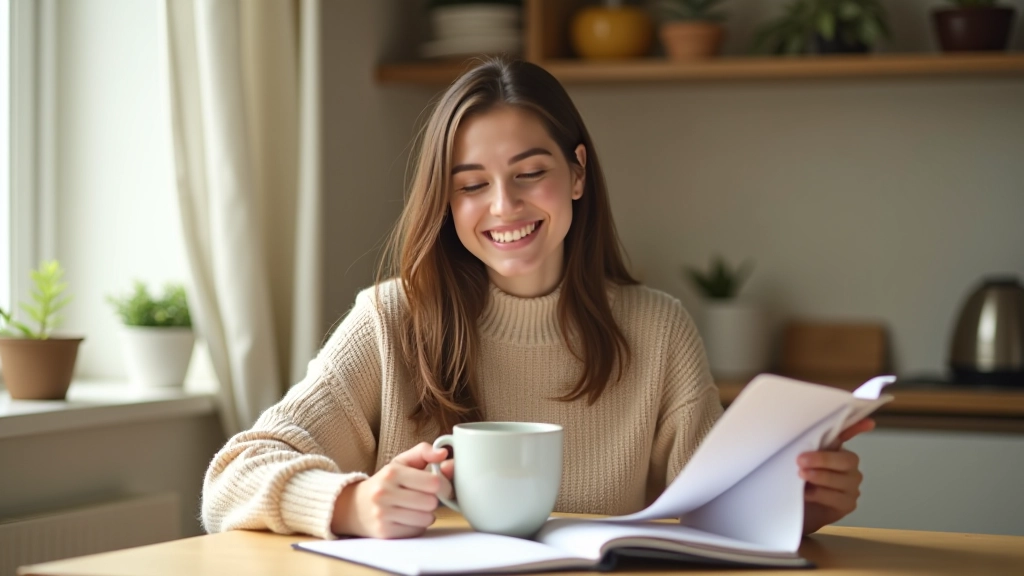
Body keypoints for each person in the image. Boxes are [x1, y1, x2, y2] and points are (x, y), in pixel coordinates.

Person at [201, 57, 872, 541]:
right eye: (471, 185)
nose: (504, 206)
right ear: (444, 200)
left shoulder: (658, 330)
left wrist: (796, 507)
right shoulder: (392, 319)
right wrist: (352, 504)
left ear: (577, 173)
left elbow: (719, 508)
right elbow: (231, 476)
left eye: (530, 173)